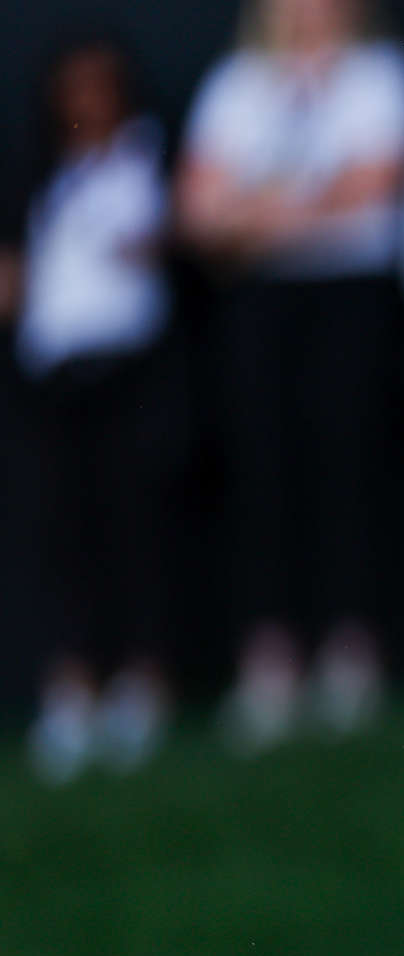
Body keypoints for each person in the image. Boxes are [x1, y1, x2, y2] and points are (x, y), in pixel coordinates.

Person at [176, 0, 404, 749]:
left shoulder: (381, 75)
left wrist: (255, 211)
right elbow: (195, 209)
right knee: (261, 469)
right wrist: (305, 205)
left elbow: (376, 182)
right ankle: (271, 660)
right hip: (256, 306)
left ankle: (351, 655)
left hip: (352, 300)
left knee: (345, 465)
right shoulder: (236, 85)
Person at [13, 37, 182, 784]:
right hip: (54, 383)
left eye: (100, 88)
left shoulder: (145, 161)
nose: (87, 105)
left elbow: (150, 239)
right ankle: (74, 686)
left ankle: (142, 683)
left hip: (129, 374)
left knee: (134, 528)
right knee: (63, 531)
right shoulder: (48, 188)